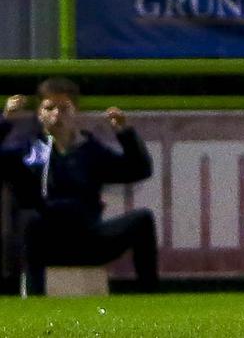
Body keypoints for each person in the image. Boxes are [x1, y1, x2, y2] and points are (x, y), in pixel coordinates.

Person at [0, 77, 158, 295]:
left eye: (64, 108)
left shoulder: (91, 151)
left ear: (75, 112)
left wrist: (125, 134)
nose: (56, 114)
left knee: (143, 220)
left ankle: (150, 295)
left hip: (88, 239)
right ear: (39, 113)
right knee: (30, 220)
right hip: (46, 241)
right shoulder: (28, 151)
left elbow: (139, 170)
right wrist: (5, 120)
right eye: (49, 108)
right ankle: (34, 297)